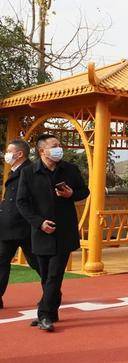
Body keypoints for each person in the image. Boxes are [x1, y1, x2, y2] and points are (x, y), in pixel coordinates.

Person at [16, 133, 90, 331]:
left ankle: (44, 315)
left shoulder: (70, 170)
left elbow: (85, 191)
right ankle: (52, 311)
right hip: (41, 232)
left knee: (55, 275)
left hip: (64, 231)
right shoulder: (29, 172)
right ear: (42, 151)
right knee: (46, 275)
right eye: (55, 145)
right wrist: (39, 223)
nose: (59, 148)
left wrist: (71, 194)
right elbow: (21, 202)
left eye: (60, 144)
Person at [1, 139, 40, 309]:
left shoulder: (30, 171)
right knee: (1, 261)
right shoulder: (14, 171)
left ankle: (52, 292)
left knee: (37, 262)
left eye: (9, 152)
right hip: (8, 226)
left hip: (25, 226)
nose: (6, 155)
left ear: (19, 154)